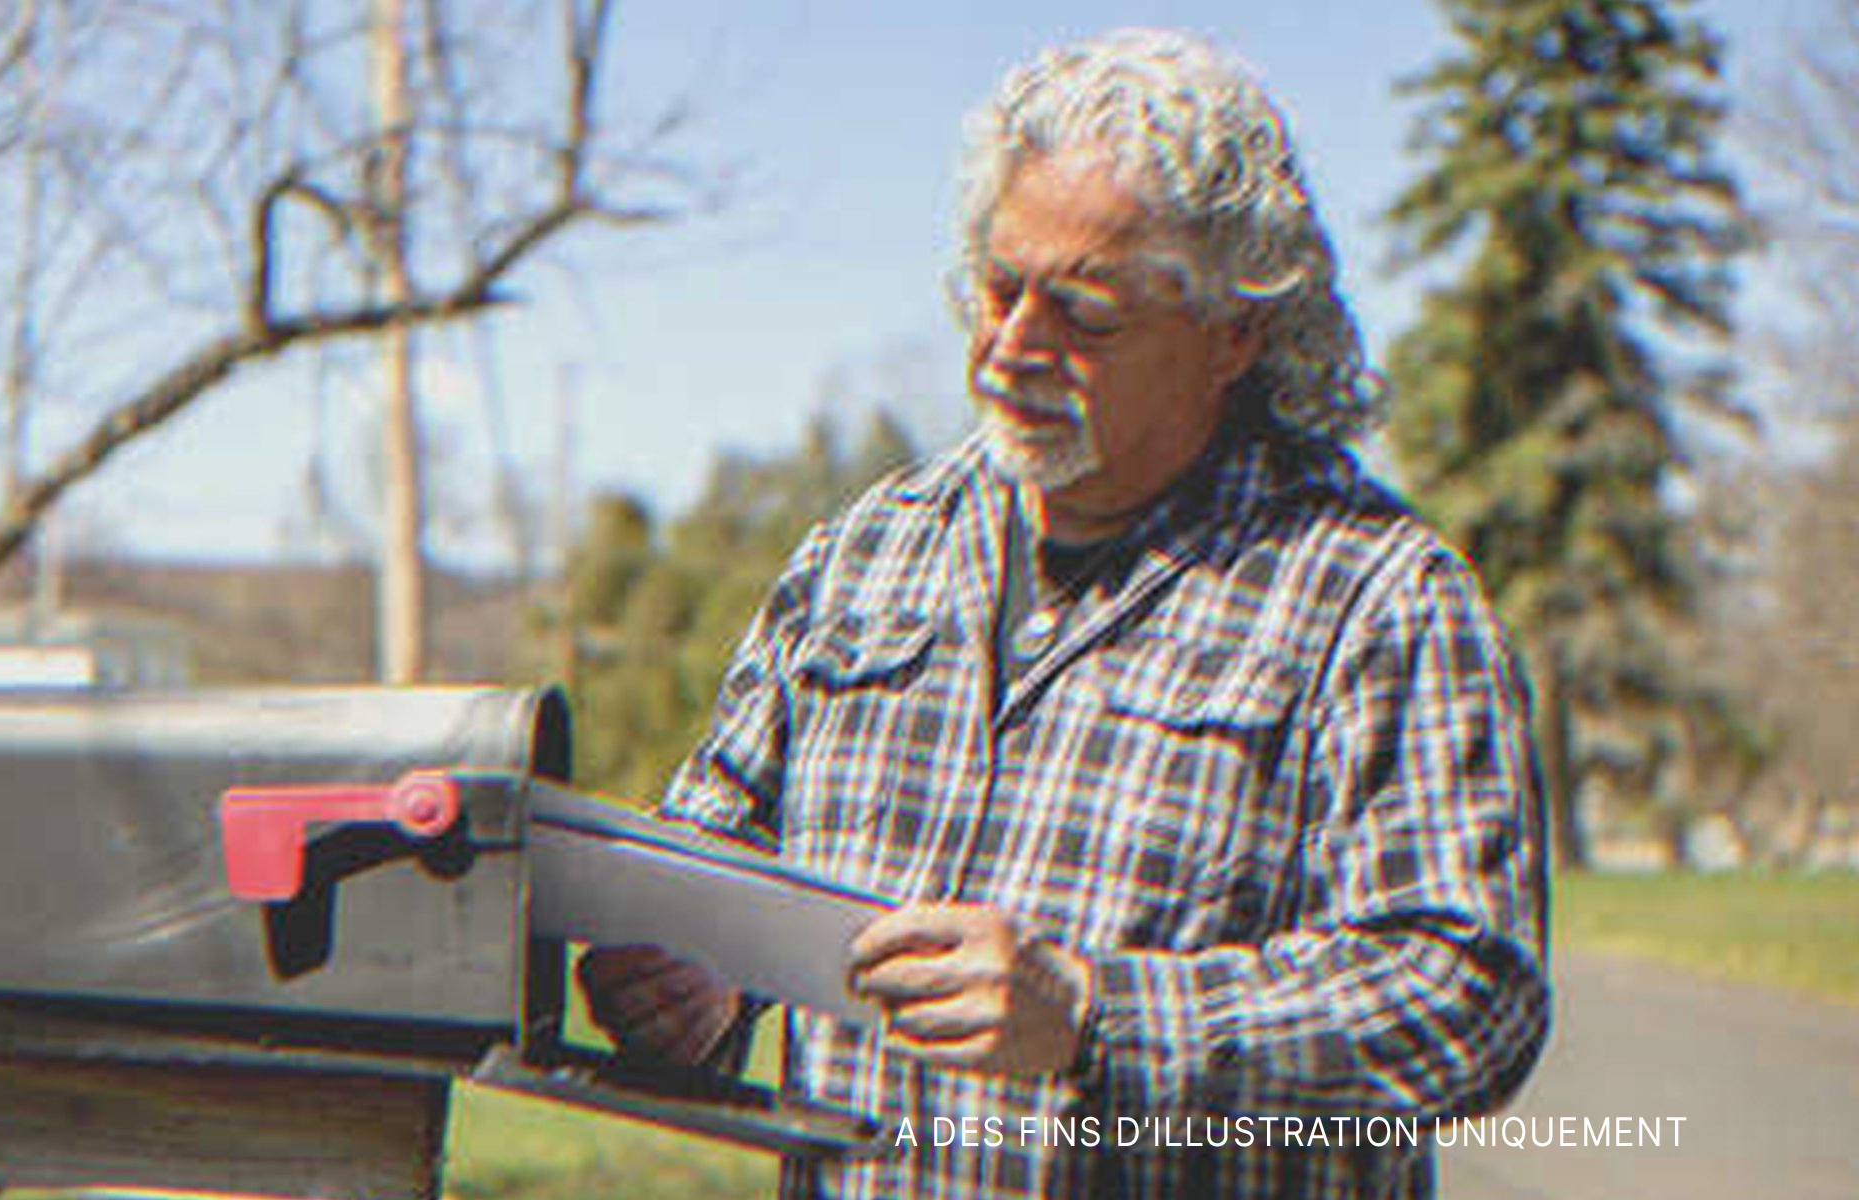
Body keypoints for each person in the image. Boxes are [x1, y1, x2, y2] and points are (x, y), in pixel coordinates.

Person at [578, 27, 1551, 1200]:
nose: (1012, 347)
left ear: (1235, 331)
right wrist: (690, 988)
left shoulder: (1376, 596)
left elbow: (1468, 1001)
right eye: (996, 288)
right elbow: (707, 862)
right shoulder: (866, 554)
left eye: (1085, 314)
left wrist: (1099, 1017)